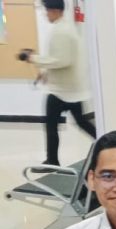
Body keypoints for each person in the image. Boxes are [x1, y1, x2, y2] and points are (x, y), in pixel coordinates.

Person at [16, 0, 95, 171]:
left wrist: (33, 58)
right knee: (79, 122)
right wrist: (46, 73)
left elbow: (62, 60)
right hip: (68, 88)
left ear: (55, 11)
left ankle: (52, 161)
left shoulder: (62, 31)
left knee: (53, 125)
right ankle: (106, 142)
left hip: (63, 91)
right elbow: (61, 58)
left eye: (47, 11)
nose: (45, 15)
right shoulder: (65, 28)